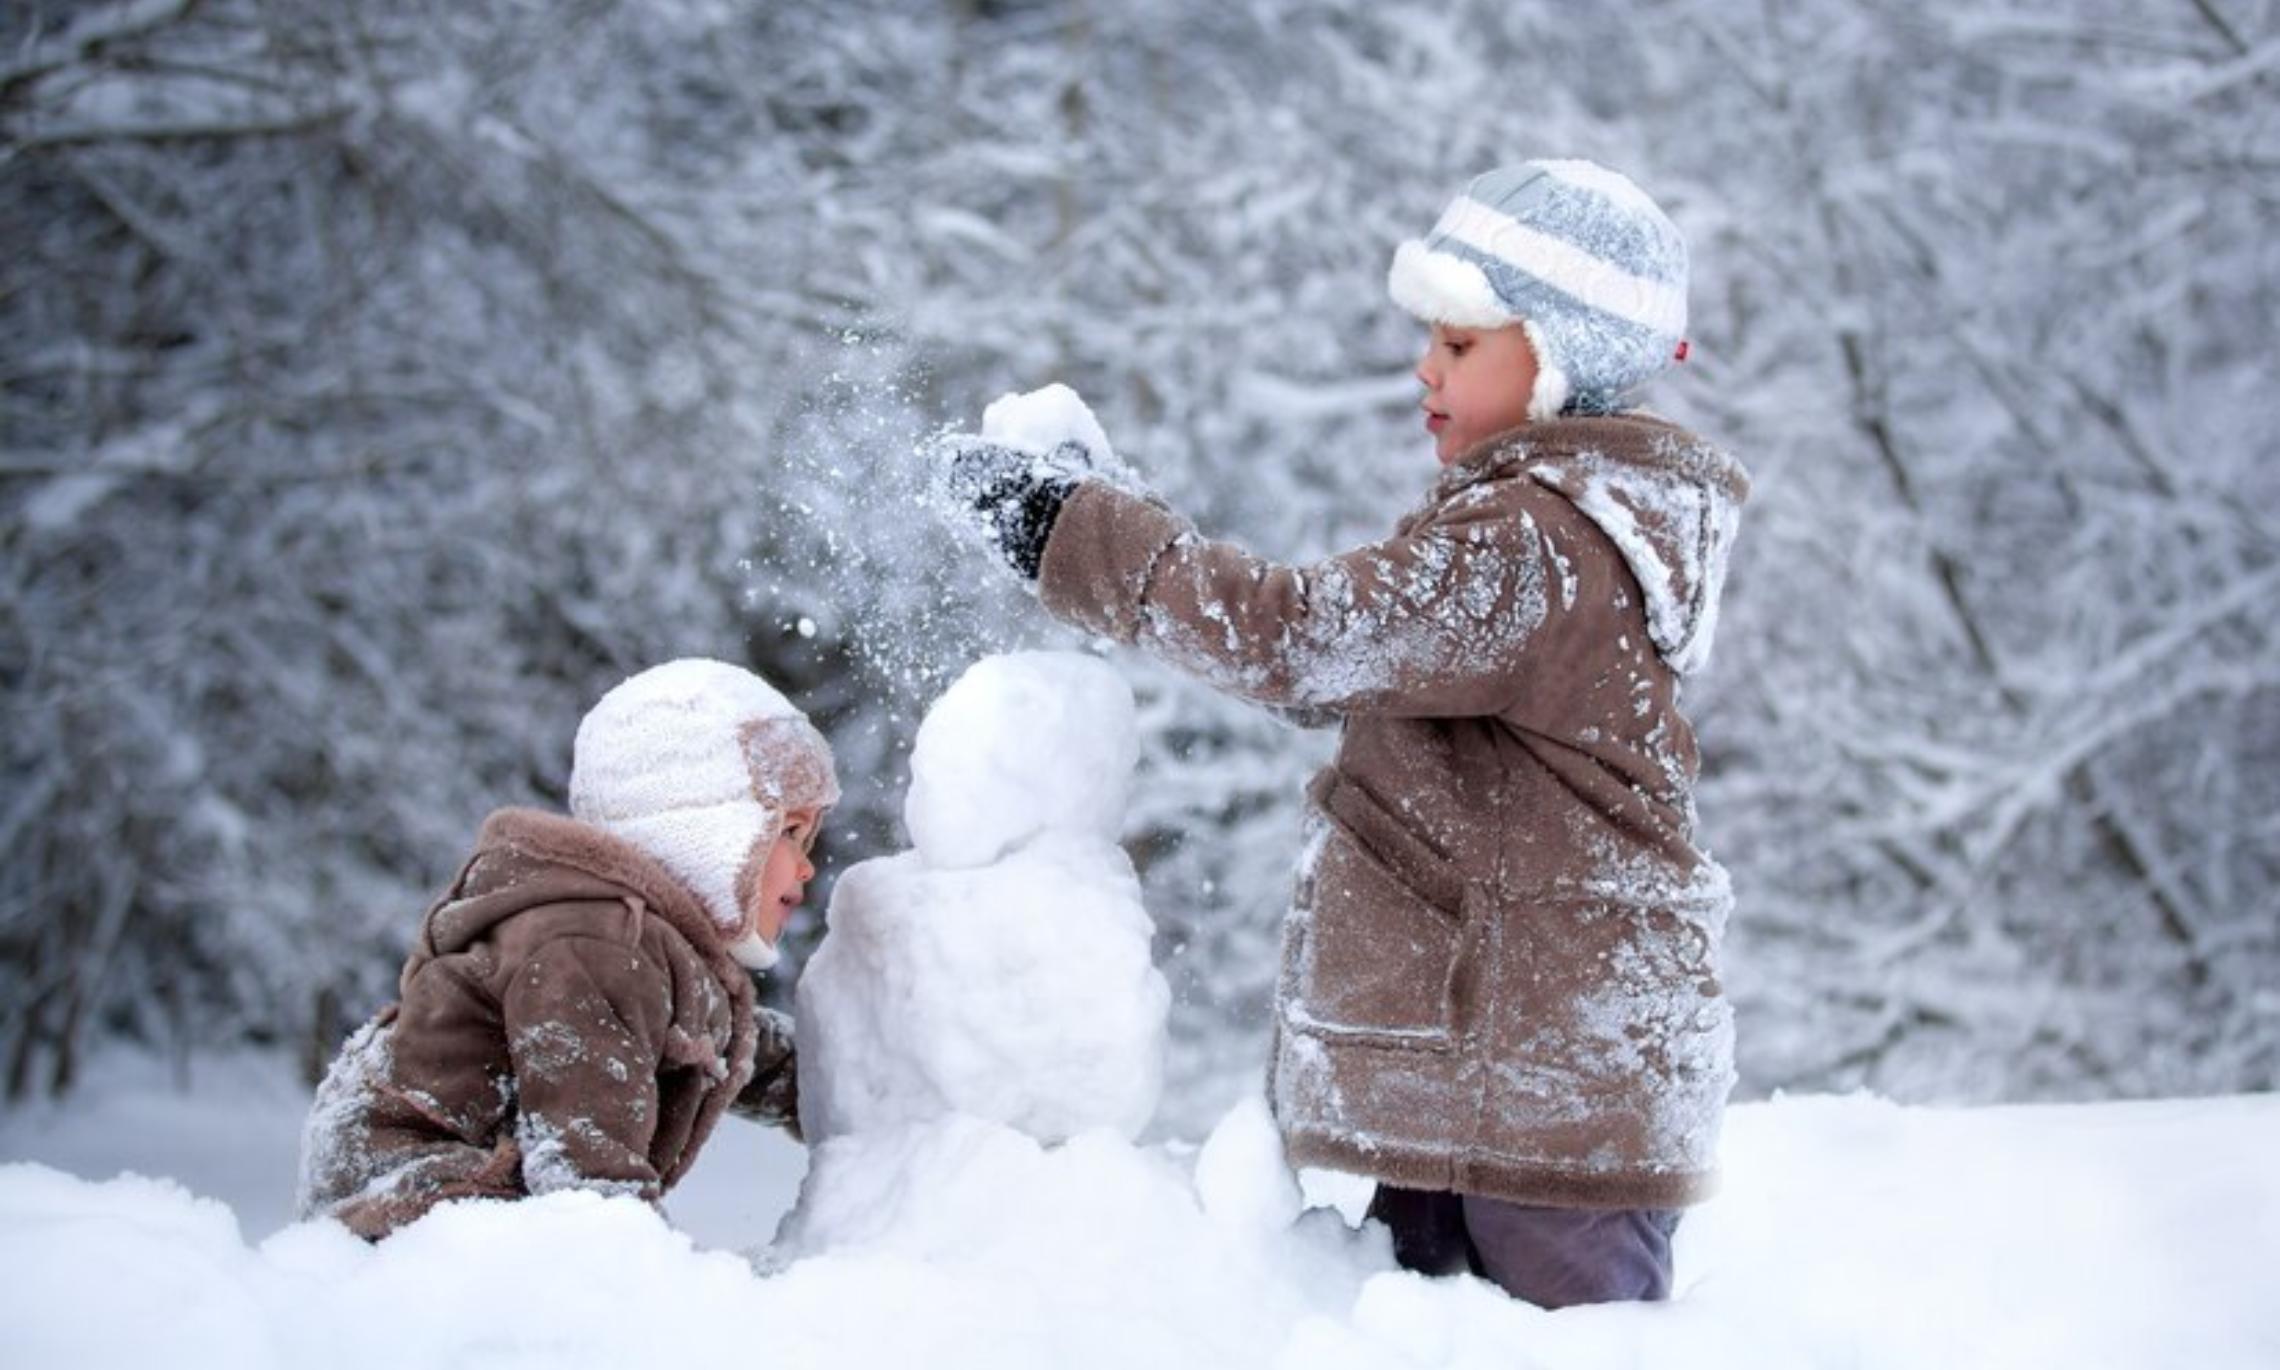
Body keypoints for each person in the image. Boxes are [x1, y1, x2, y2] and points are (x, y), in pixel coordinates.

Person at [928, 159, 1748, 1308]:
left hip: (1542, 1088)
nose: (1425, 368)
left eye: (1461, 345)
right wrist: (1128, 522)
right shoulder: (1548, 525)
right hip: (1510, 1066)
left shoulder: (1531, 542)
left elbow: (1300, 640)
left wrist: (1073, 530)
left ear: (1561, 355)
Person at [296, 658, 837, 1240]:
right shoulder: (596, 947)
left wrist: (867, 1077)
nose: (807, 865)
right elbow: (589, 1190)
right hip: (412, 1200)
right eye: (787, 832)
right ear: (706, 831)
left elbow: (742, 1052)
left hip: (439, 1205)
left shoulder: (648, 952)